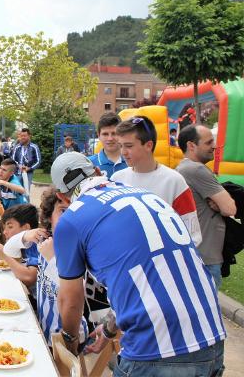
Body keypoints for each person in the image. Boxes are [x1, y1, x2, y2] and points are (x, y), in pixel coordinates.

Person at [50, 152, 225, 375]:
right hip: (211, 332)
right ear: (96, 171)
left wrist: (70, 340)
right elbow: (146, 274)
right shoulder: (148, 196)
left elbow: (71, 300)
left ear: (62, 197)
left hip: (156, 347)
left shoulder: (72, 218)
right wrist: (111, 329)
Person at [0, 199, 89, 347]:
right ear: (49, 217)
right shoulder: (45, 241)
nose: (70, 216)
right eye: (63, 211)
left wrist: (51, 259)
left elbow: (74, 294)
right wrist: (25, 235)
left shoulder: (73, 248)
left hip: (66, 337)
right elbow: (9, 249)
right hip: (46, 329)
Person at [111, 116, 202, 246]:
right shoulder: (116, 180)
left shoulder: (174, 181)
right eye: (120, 146)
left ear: (149, 145)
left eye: (129, 146)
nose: (123, 152)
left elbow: (192, 235)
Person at [177, 124, 237, 288]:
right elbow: (230, 208)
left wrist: (218, 204)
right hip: (206, 258)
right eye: (208, 142)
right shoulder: (196, 170)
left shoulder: (182, 168)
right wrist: (221, 204)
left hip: (195, 254)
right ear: (191, 145)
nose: (214, 146)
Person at [88, 112, 127, 178]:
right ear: (99, 135)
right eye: (105, 134)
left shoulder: (133, 162)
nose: (110, 138)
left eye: (114, 133)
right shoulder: (89, 164)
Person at [10, 128, 41, 193]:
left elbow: (38, 161)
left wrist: (29, 168)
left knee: (26, 193)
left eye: (25, 136)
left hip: (28, 173)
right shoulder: (17, 147)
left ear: (29, 136)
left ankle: (26, 203)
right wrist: (19, 166)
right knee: (16, 192)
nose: (23, 137)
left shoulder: (34, 147)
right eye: (21, 136)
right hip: (17, 173)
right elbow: (12, 160)